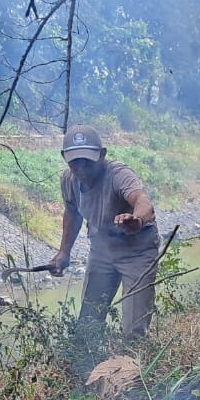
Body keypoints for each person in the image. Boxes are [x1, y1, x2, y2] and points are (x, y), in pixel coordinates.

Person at [44, 124, 159, 339]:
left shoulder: (118, 174)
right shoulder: (68, 180)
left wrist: (137, 220)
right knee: (88, 323)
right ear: (64, 157)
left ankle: (134, 367)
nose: (81, 169)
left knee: (134, 330)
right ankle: (88, 369)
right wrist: (63, 252)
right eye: (74, 162)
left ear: (102, 155)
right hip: (102, 251)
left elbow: (143, 202)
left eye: (87, 161)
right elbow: (72, 212)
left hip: (137, 253)